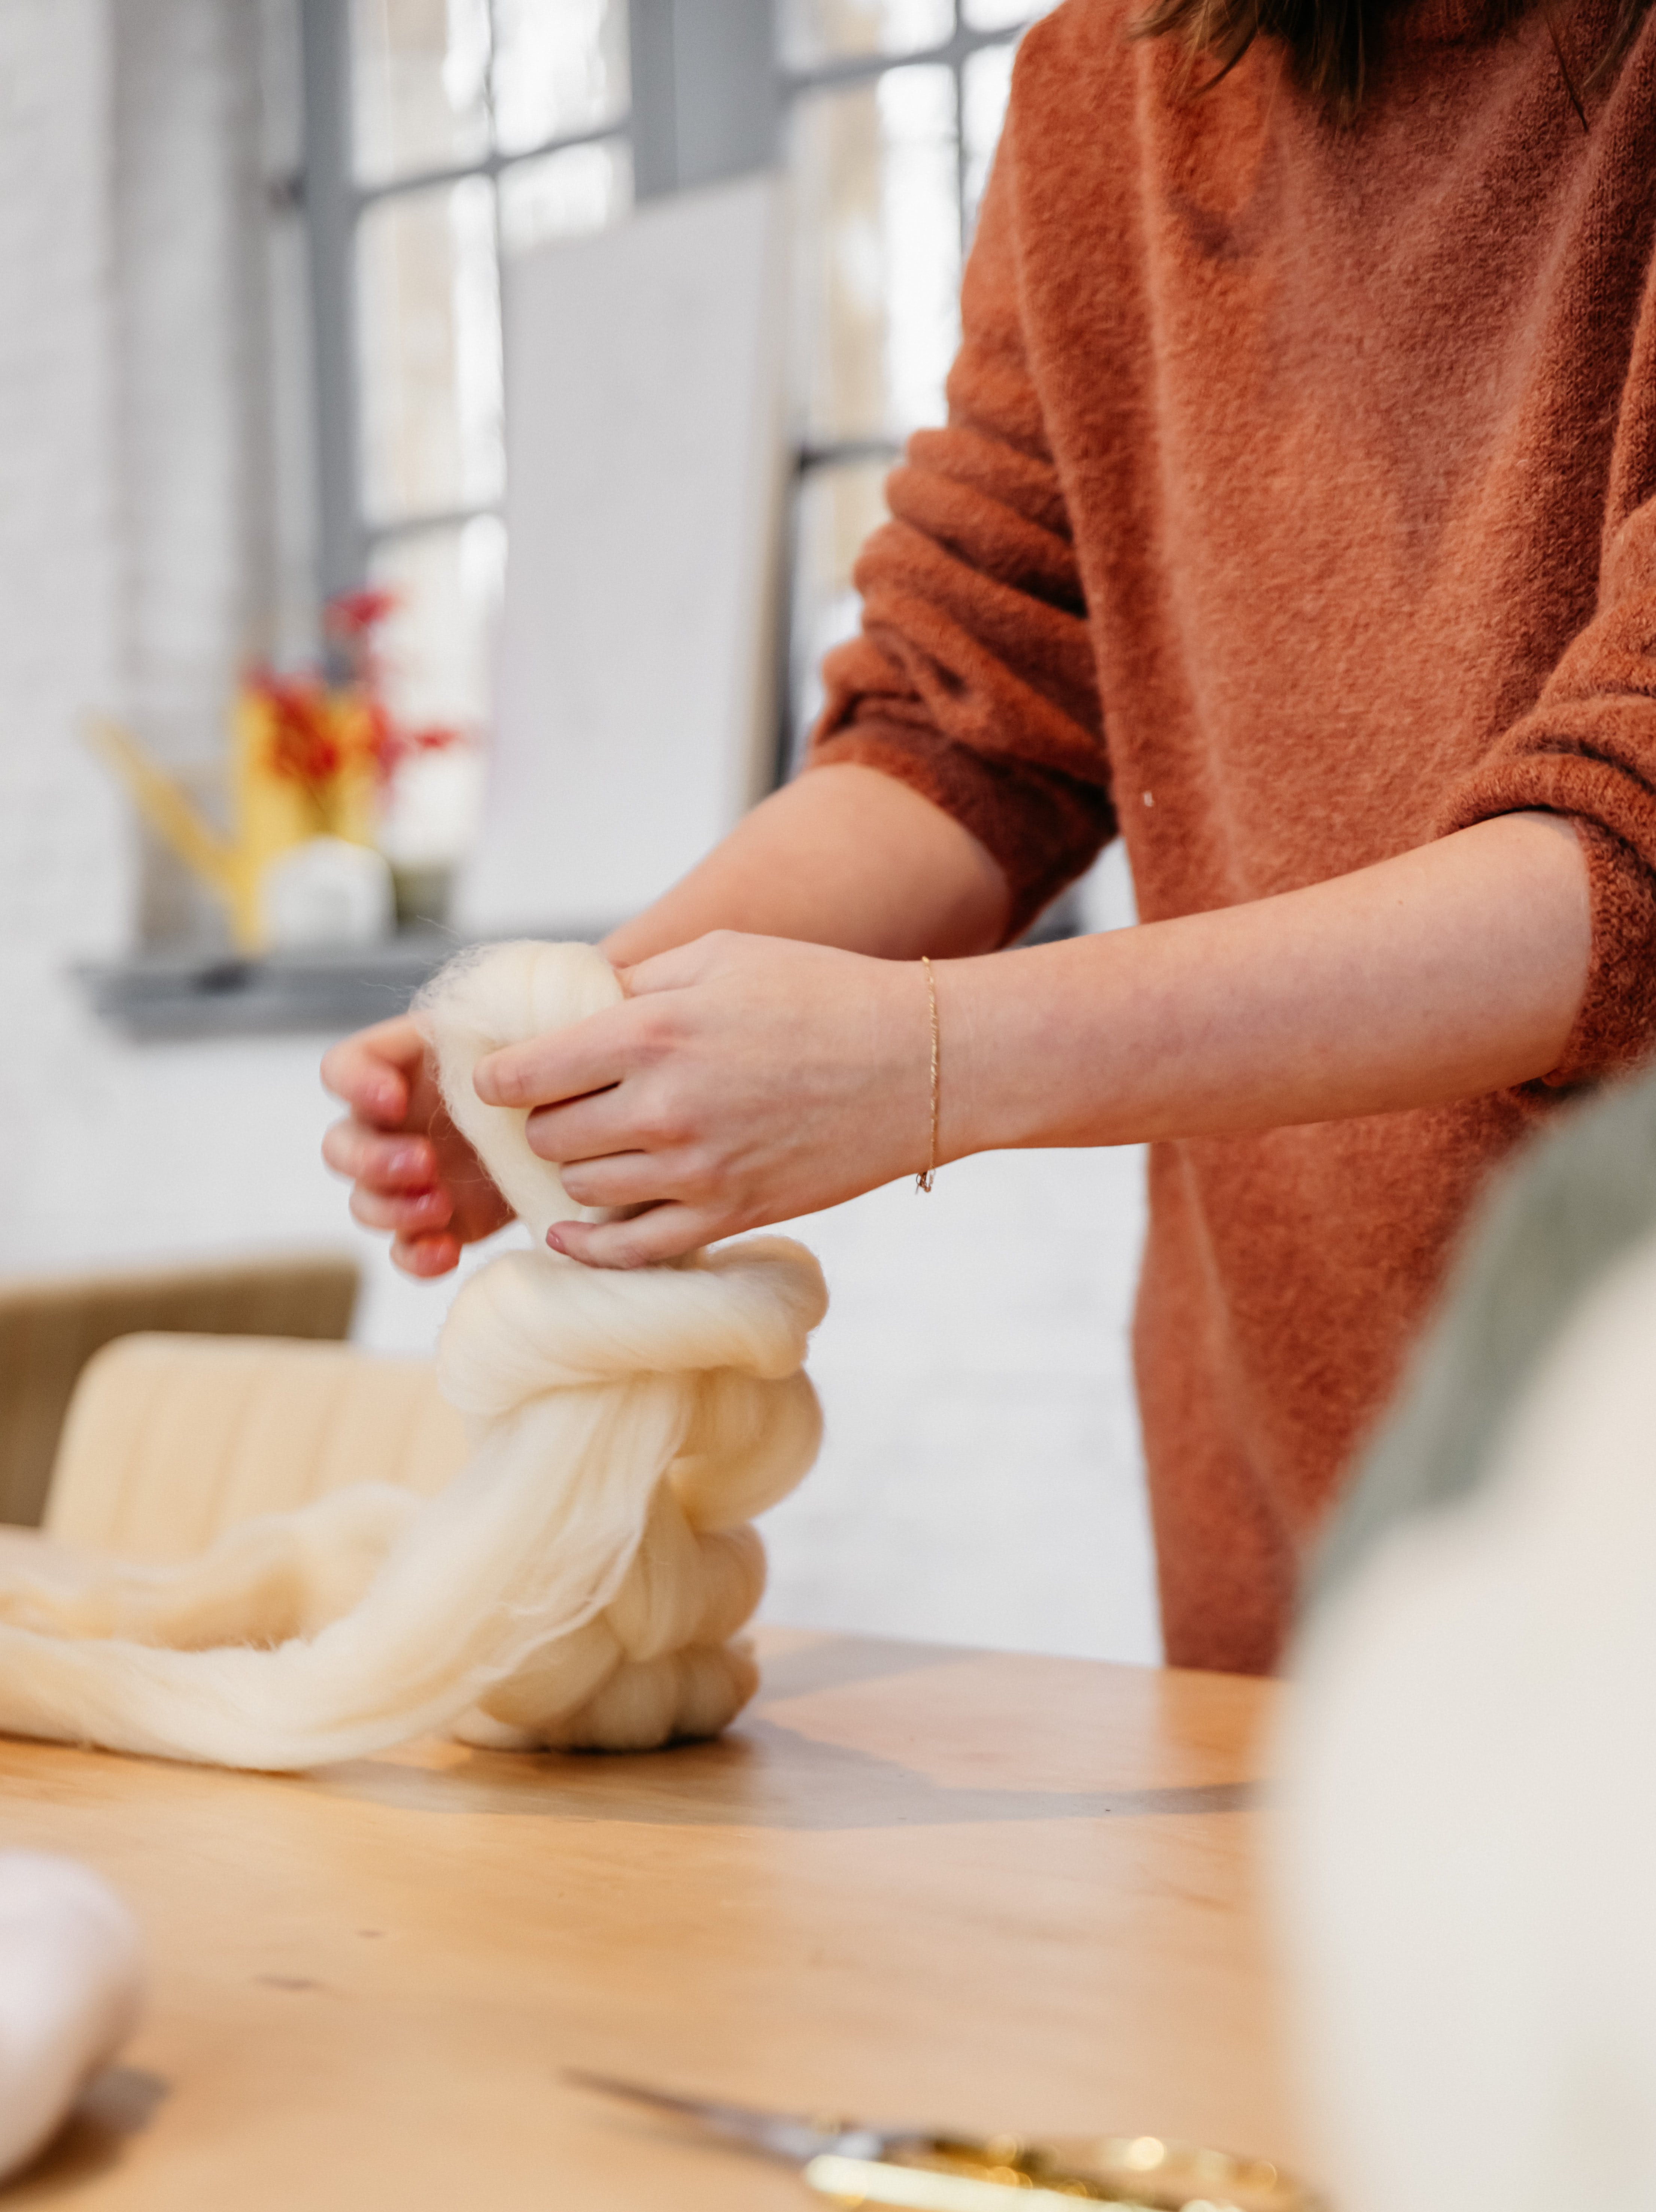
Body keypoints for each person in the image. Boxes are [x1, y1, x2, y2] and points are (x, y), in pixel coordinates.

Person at [322, 0, 1656, 1675]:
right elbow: (969, 722)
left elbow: (1625, 860)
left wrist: (937, 1062)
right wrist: (598, 1043)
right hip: (1301, 1519)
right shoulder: (1108, 77)